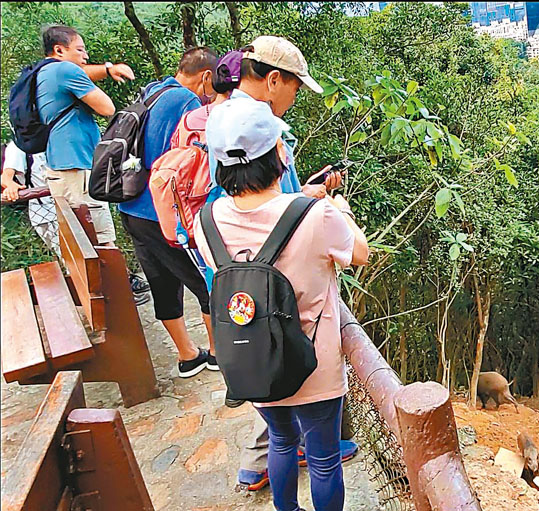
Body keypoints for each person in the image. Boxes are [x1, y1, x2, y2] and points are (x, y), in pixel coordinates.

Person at [196, 97, 369, 511]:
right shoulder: (315, 215)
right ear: (279, 153)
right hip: (314, 362)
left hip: (255, 359)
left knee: (280, 440)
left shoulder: (207, 220)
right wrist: (335, 205)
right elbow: (359, 252)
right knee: (325, 459)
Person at [118, 47, 219, 378]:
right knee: (205, 280)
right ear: (206, 76)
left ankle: (188, 356)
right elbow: (188, 165)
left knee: (161, 281)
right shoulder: (187, 104)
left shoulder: (152, 91)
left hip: (131, 205)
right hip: (162, 212)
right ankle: (218, 353)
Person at [35, 24, 151, 303]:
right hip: (76, 169)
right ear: (59, 50)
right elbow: (107, 107)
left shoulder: (46, 73)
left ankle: (106, 294)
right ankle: (117, 299)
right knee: (99, 238)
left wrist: (108, 69)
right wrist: (97, 85)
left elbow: (82, 72)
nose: (86, 56)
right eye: (80, 49)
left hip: (62, 167)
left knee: (80, 239)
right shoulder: (64, 71)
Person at [1, 142, 60, 259]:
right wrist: (10, 186)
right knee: (68, 257)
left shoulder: (55, 137)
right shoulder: (18, 145)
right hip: (45, 212)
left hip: (65, 205)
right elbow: (5, 177)